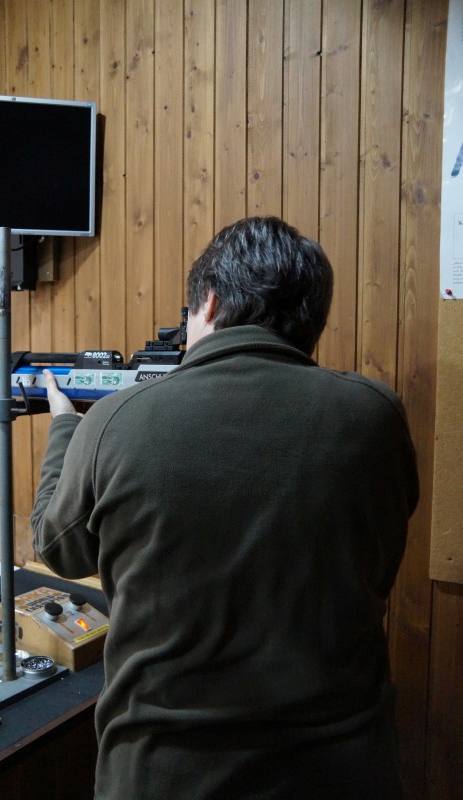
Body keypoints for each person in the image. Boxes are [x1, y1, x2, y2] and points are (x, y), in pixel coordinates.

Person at [31, 216, 419, 800]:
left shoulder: (116, 420)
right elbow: (382, 552)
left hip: (166, 773)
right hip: (345, 769)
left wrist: (66, 427)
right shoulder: (376, 414)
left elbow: (58, 548)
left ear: (209, 301)